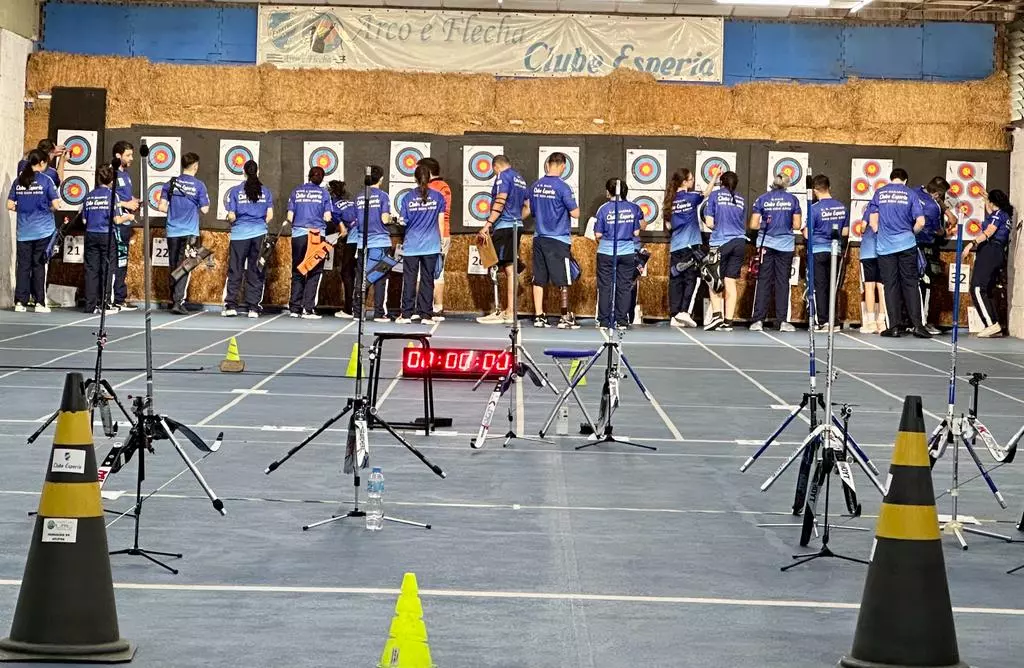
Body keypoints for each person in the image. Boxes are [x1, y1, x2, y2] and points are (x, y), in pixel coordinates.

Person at [868, 168, 929, 338]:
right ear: (905, 180)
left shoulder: (879, 193)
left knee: (890, 285)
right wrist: (911, 233)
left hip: (885, 247)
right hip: (906, 244)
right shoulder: (910, 194)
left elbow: (873, 222)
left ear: (891, 178)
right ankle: (917, 325)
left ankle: (894, 326)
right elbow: (921, 222)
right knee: (911, 284)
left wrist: (881, 233)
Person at [525, 152, 580, 329]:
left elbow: (532, 212)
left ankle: (539, 316)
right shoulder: (564, 187)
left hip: (539, 238)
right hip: (558, 239)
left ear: (548, 164)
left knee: (539, 278)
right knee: (563, 278)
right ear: (563, 166)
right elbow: (575, 213)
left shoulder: (535, 186)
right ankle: (564, 317)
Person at [476, 155, 527, 325]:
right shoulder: (519, 178)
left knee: (501, 268)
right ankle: (508, 310)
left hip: (504, 226)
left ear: (495, 167)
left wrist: (487, 225)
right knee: (509, 269)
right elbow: (528, 206)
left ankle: (505, 311)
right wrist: (517, 219)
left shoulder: (502, 176)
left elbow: (500, 200)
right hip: (516, 226)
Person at [8, 149, 60, 313]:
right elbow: (56, 205)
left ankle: (20, 302)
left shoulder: (19, 180)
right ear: (43, 163)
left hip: (23, 231)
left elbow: (9, 205)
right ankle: (39, 302)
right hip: (43, 231)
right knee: (39, 266)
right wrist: (47, 209)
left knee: (22, 266)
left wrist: (23, 209)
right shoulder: (46, 180)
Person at [158, 152, 210, 315]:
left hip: (172, 230)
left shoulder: (170, 183)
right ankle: (178, 302)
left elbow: (161, 207)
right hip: (190, 232)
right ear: (195, 166)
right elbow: (205, 209)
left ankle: (174, 298)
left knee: (174, 265)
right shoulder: (199, 185)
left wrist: (175, 212)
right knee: (185, 266)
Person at [749, 175, 802, 332]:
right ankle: (782, 321)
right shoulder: (793, 200)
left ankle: (758, 320)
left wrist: (767, 224)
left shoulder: (762, 199)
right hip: (785, 246)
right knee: (782, 282)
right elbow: (797, 224)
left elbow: (753, 224)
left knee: (763, 280)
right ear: (787, 185)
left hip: (766, 244)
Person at [395, 165, 446, 325]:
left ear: (415, 179)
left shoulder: (407, 197)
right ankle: (426, 315)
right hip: (431, 245)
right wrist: (442, 241)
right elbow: (441, 221)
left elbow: (403, 221)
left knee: (409, 279)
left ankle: (406, 314)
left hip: (412, 245)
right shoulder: (438, 197)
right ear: (430, 177)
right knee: (427, 279)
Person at [663, 168, 714, 328]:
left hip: (676, 246)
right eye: (691, 179)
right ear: (684, 182)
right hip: (691, 246)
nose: (692, 182)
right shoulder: (691, 197)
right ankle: (684, 312)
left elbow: (668, 226)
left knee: (676, 279)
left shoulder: (669, 200)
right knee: (691, 279)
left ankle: (674, 314)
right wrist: (714, 177)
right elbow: (706, 193)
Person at [224, 160, 273, 318]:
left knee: (236, 269)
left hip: (239, 235)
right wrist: (258, 226)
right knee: (256, 270)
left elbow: (232, 216)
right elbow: (269, 216)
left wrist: (230, 219)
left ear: (244, 172)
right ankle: (253, 308)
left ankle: (231, 305)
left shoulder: (235, 191)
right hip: (259, 234)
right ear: (257, 172)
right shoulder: (265, 191)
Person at [82, 165, 134, 314]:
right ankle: (106, 304)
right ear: (112, 180)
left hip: (90, 234)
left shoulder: (89, 195)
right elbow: (117, 220)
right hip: (106, 235)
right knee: (108, 269)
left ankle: (90, 305)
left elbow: (84, 221)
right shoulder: (112, 195)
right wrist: (129, 216)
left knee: (91, 270)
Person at [286, 166, 334, 319]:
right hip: (316, 235)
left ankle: (294, 308)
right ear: (321, 178)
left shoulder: (295, 191)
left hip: (298, 235)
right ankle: (308, 308)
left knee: (298, 270)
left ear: (309, 176)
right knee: (314, 271)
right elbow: (327, 217)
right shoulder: (324, 193)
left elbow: (289, 217)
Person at [594, 178, 642, 329]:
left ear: (609, 192)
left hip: (606, 252)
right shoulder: (633, 208)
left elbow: (598, 234)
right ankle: (622, 320)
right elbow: (636, 232)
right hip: (627, 252)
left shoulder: (603, 209)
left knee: (605, 286)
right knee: (624, 286)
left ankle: (604, 320)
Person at [965, 189, 1013, 338]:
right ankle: (994, 325)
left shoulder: (998, 215)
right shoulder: (1003, 215)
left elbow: (990, 230)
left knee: (978, 288)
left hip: (990, 251)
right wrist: (987, 199)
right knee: (987, 289)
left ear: (994, 203)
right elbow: (991, 214)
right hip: (996, 252)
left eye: (990, 202)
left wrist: (971, 243)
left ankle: (991, 324)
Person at [702, 171, 746, 331]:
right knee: (730, 281)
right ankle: (728, 322)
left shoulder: (715, 195)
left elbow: (709, 222)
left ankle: (717, 316)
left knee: (712, 278)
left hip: (721, 242)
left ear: (721, 182)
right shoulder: (741, 199)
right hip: (740, 242)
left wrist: (717, 226)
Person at [806, 175, 849, 330]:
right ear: (829, 187)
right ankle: (834, 321)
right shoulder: (841, 207)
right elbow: (845, 231)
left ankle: (823, 321)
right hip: (834, 251)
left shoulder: (814, 209)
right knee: (833, 286)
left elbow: (807, 234)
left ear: (815, 190)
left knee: (820, 287)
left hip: (818, 251)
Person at [352, 165, 393, 322]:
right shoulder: (383, 196)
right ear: (381, 179)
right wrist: (391, 218)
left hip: (362, 243)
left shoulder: (359, 196)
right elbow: (384, 219)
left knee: (362, 276)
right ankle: (378, 313)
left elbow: (356, 219)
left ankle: (357, 312)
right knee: (379, 277)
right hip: (379, 242)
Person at [915, 177, 954, 334]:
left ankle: (913, 321)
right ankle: (923, 323)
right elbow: (938, 231)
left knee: (913, 284)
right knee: (927, 284)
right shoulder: (933, 207)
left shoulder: (916, 190)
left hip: (908, 245)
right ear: (937, 194)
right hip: (925, 247)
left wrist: (948, 212)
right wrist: (947, 232)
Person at [419, 157, 452, 321]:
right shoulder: (444, 186)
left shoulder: (430, 188)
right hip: (443, 233)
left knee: (424, 272)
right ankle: (437, 307)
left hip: (430, 234)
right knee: (438, 272)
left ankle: (424, 307)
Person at [112, 141, 140, 311]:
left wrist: (133, 201)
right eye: (128, 155)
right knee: (116, 260)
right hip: (118, 222)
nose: (131, 158)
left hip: (126, 221)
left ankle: (119, 298)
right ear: (118, 156)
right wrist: (126, 204)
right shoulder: (111, 173)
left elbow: (122, 197)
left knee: (122, 260)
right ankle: (114, 298)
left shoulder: (126, 174)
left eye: (132, 154)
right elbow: (108, 197)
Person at [329, 180, 358, 319]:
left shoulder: (334, 207)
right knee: (359, 273)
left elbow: (344, 231)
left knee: (346, 273)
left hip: (353, 241)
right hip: (366, 239)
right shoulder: (351, 202)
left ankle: (348, 309)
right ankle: (357, 308)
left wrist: (335, 238)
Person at [858, 202, 887, 334]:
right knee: (882, 287)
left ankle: (871, 322)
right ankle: (882, 321)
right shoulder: (890, 210)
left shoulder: (870, 209)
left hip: (868, 251)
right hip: (885, 251)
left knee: (869, 286)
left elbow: (862, 228)